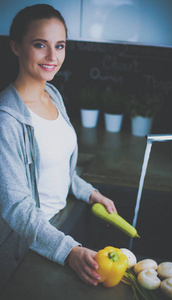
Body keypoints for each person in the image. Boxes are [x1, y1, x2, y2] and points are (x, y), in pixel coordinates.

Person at [0, 4, 117, 290]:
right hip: (27, 244)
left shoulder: (52, 93)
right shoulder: (6, 120)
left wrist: (87, 191)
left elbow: (57, 167)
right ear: (16, 46)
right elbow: (16, 207)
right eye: (40, 45)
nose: (53, 57)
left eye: (60, 45)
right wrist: (69, 251)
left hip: (61, 224)